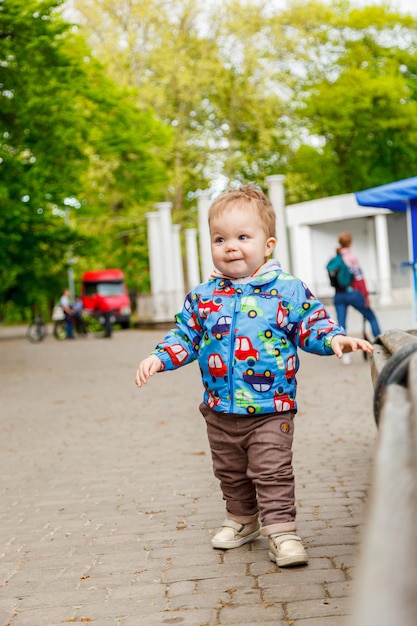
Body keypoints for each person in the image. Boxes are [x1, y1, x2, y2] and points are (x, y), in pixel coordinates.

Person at [135, 185, 373, 568]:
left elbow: (311, 324)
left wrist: (334, 338)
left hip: (271, 406)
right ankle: (244, 521)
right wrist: (160, 357)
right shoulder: (203, 297)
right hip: (220, 409)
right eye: (220, 238)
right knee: (229, 471)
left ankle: (281, 531)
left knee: (271, 470)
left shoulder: (287, 291)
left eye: (243, 237)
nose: (231, 246)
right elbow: (185, 334)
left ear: (268, 245)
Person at [332, 232, 381, 364]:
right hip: (353, 293)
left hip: (338, 295)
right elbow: (359, 278)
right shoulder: (352, 257)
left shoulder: (333, 257)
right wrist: (365, 295)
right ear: (350, 243)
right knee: (371, 316)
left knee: (341, 324)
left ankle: (345, 355)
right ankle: (380, 346)